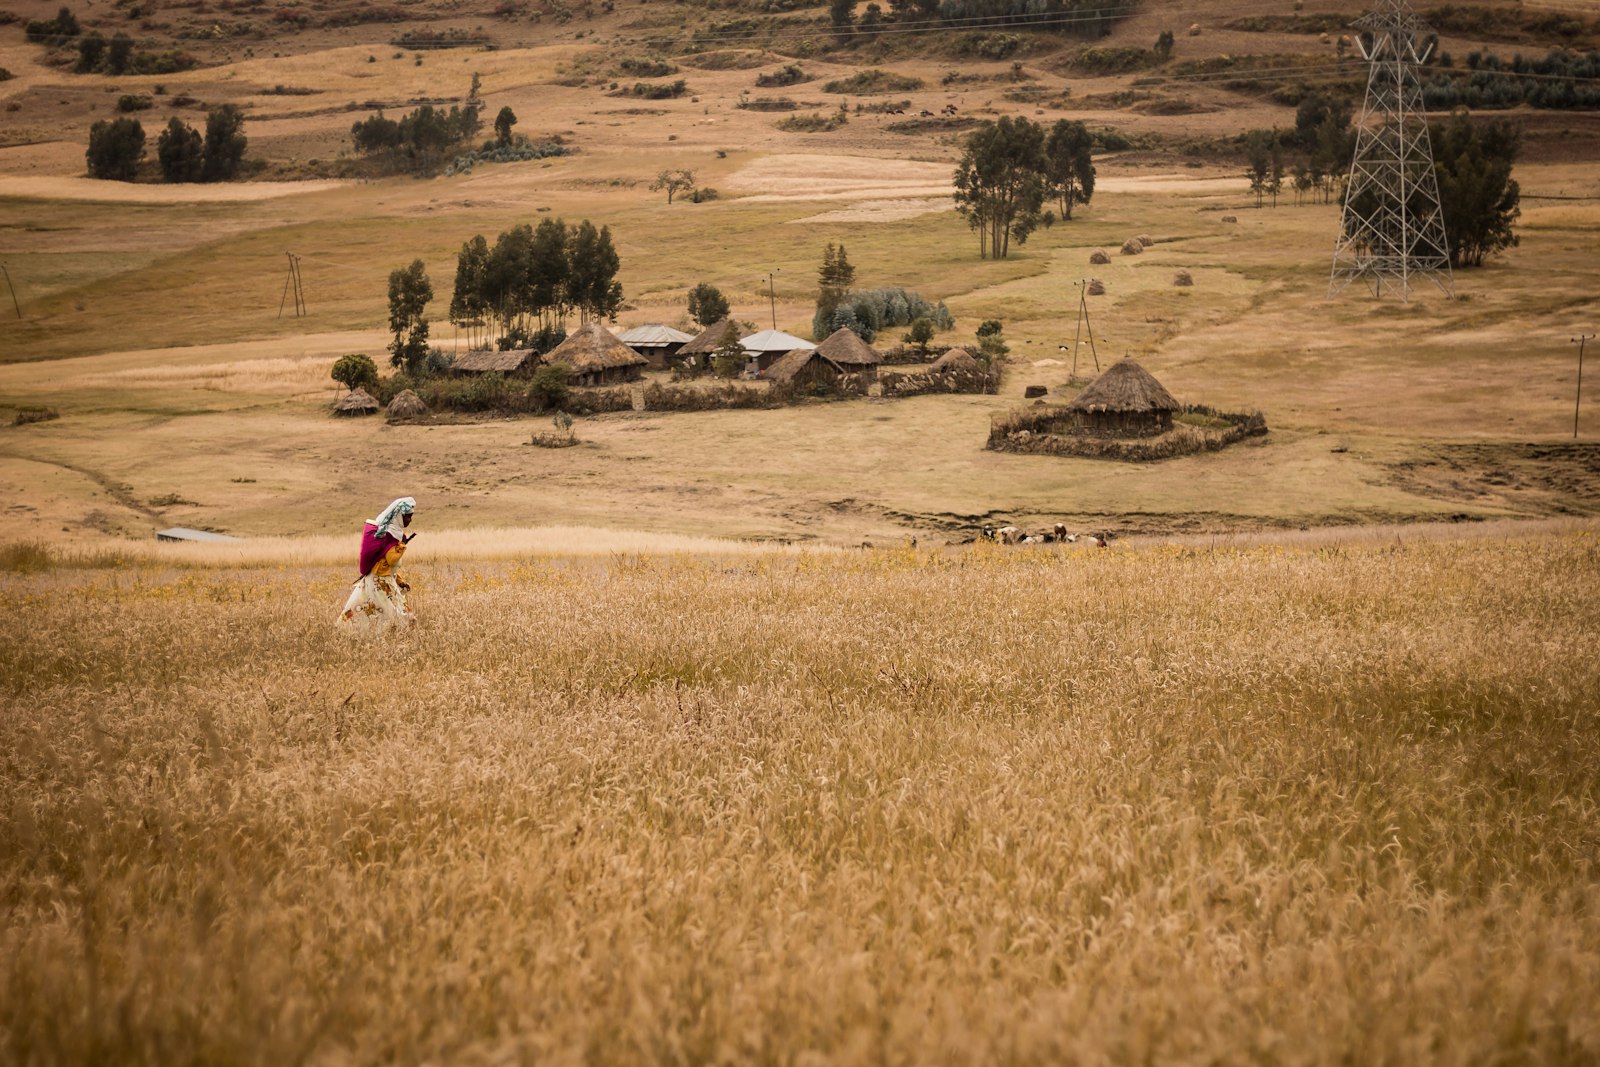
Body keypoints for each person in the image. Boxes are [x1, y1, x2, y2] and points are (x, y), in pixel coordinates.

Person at [337, 496, 416, 633]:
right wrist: (402, 547)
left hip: (386, 581)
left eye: (411, 516)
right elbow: (391, 560)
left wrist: (399, 580)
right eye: (407, 516)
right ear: (398, 516)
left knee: (375, 609)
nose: (410, 520)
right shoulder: (389, 534)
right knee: (392, 612)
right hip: (378, 582)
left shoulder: (396, 534)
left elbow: (387, 565)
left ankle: (377, 636)